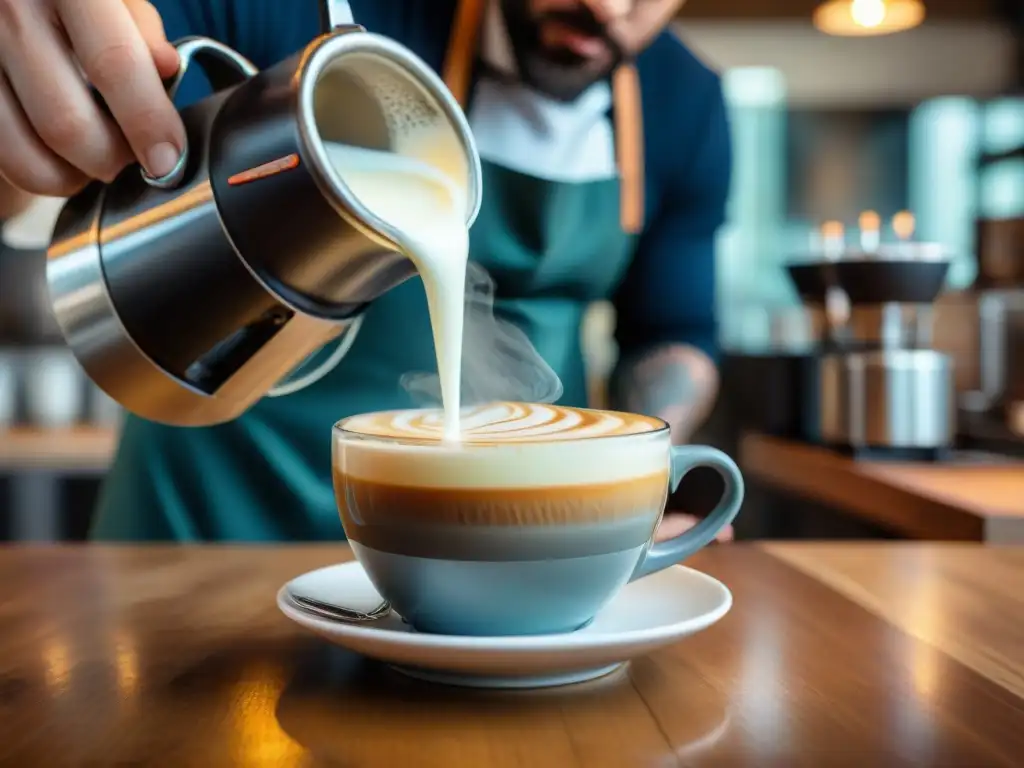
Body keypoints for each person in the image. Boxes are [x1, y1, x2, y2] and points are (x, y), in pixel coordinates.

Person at [0, 0, 732, 542]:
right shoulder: (315, 16)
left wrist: (628, 493)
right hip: (211, 529)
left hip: (485, 541)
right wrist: (43, 77)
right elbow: (89, 87)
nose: (606, 6)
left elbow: (672, 334)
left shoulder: (685, 104)